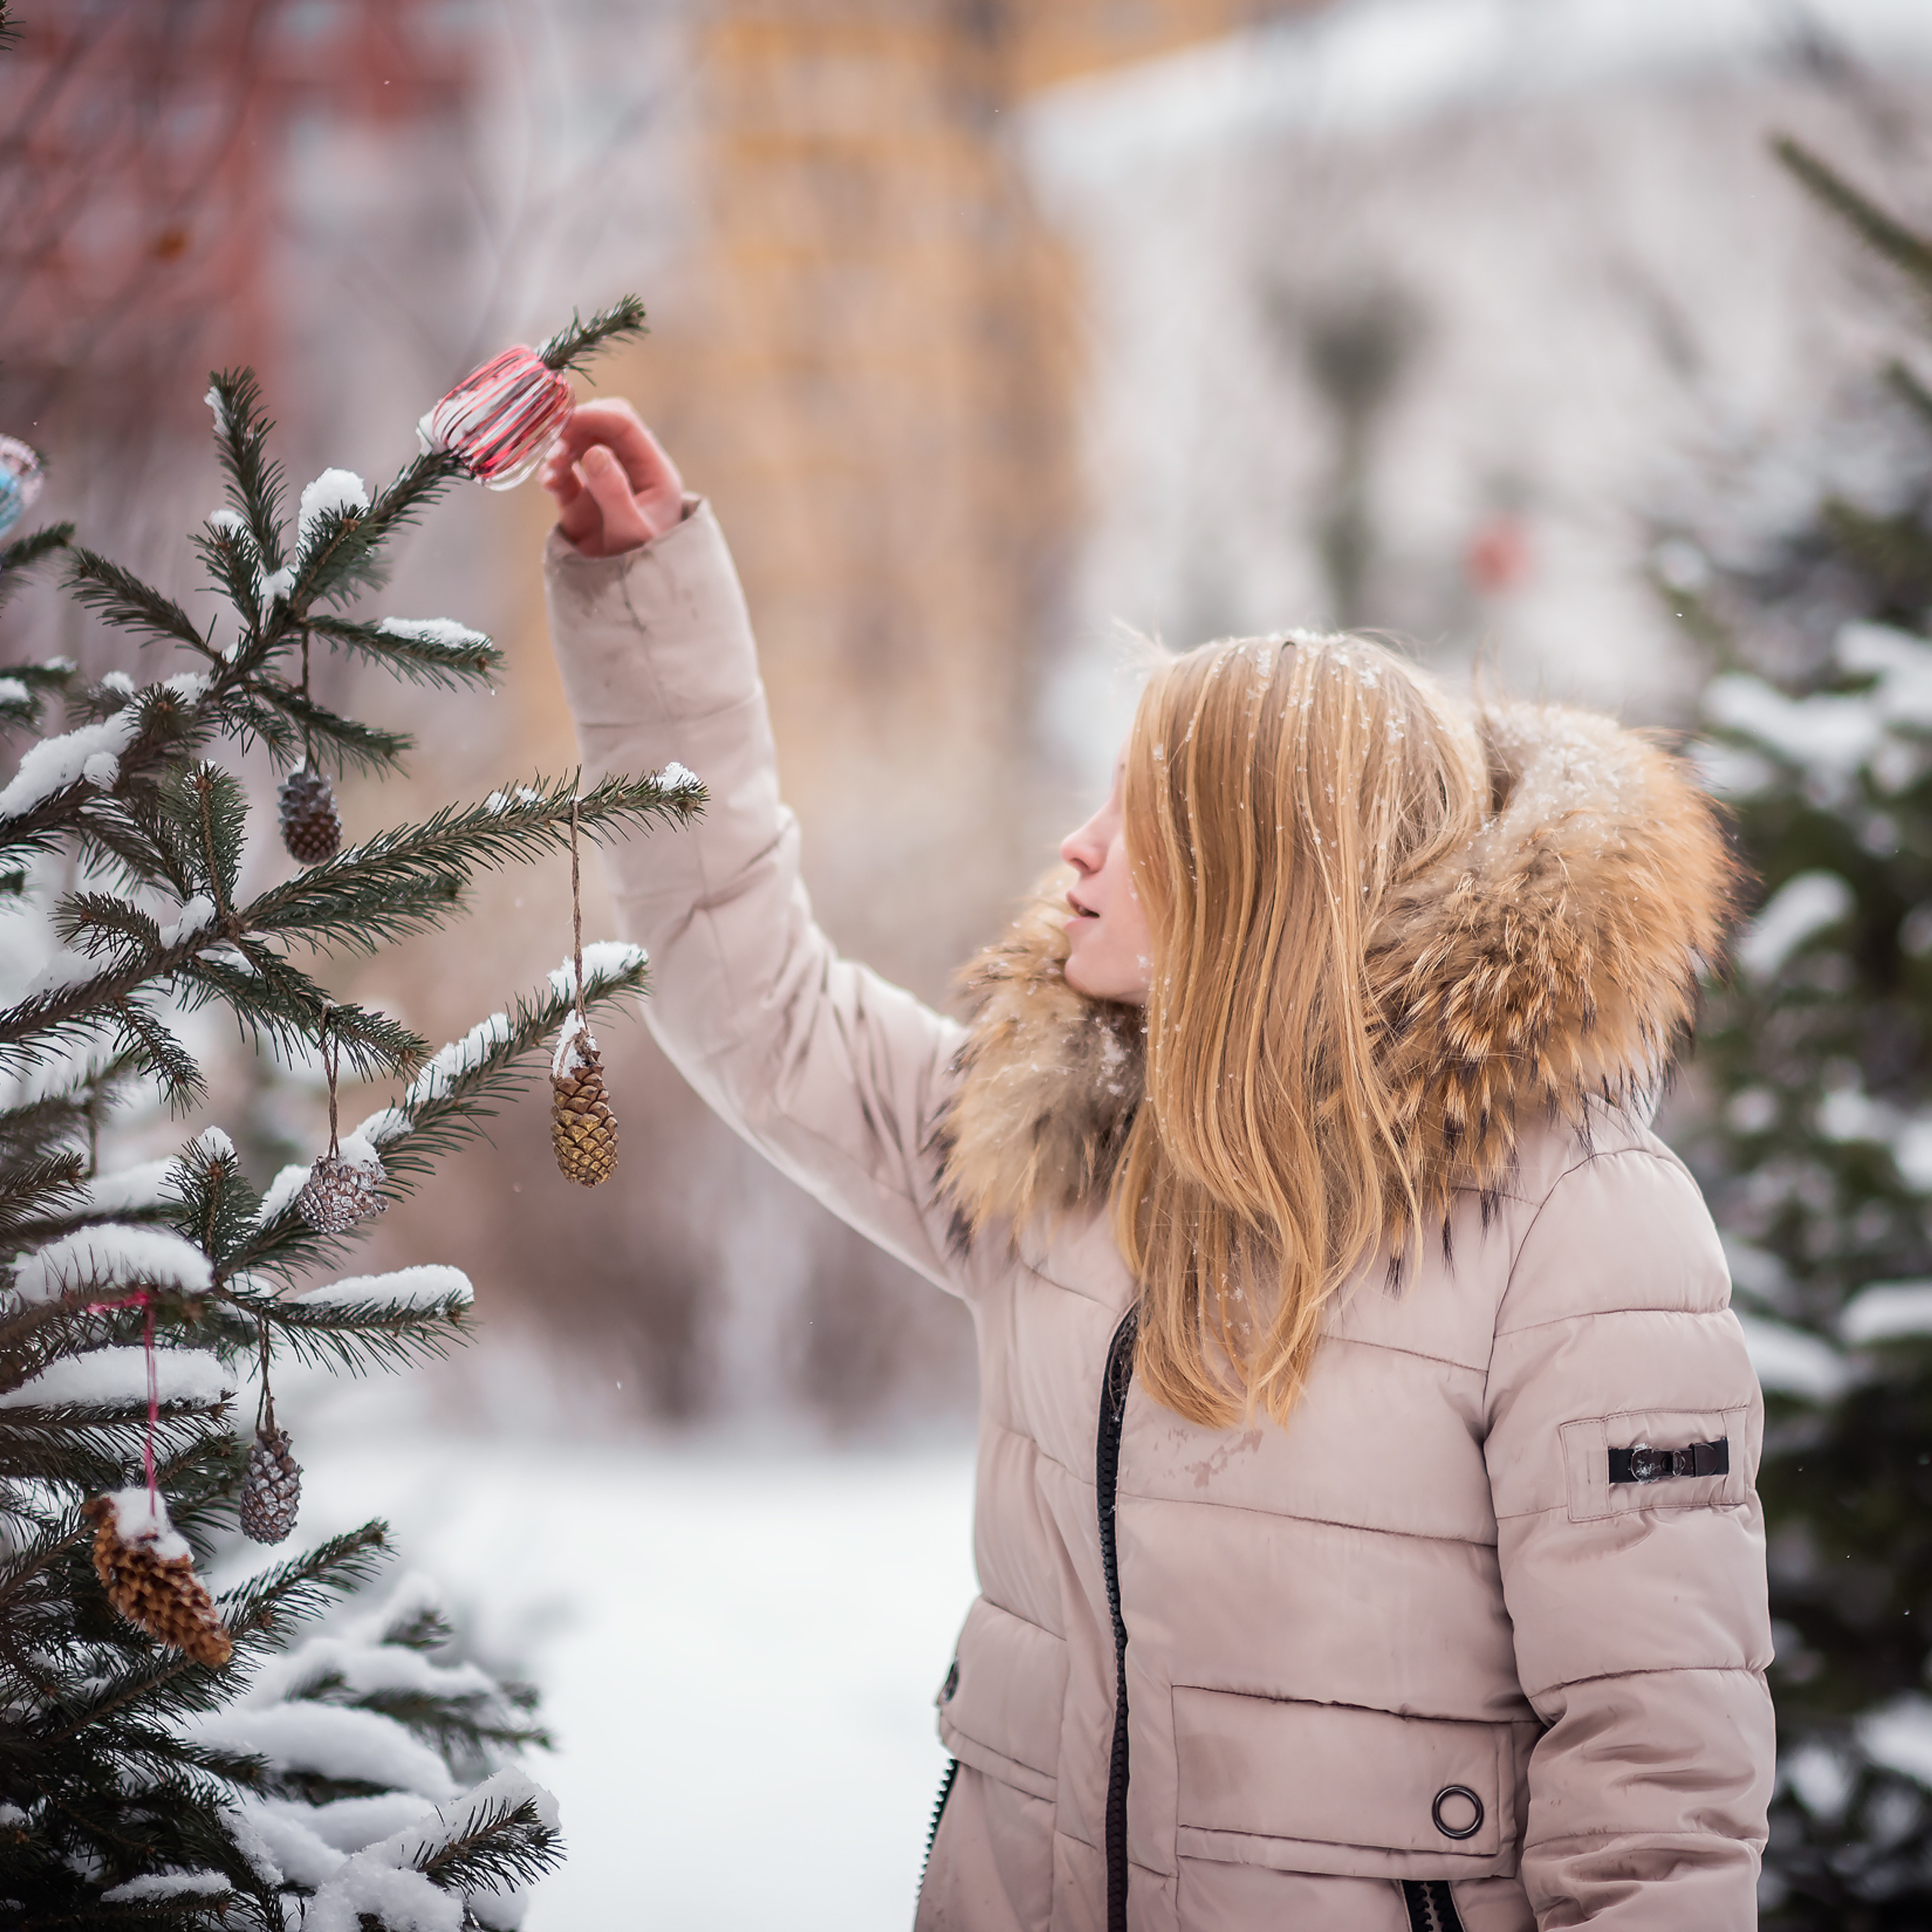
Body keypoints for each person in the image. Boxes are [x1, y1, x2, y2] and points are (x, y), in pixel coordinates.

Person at [539, 399, 1774, 1932]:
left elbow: (1658, 1779)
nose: (1074, 844)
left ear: (1261, 867)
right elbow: (749, 994)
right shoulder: (1056, 1145)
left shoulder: (1574, 1224)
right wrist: (644, 599)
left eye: (1135, 811)